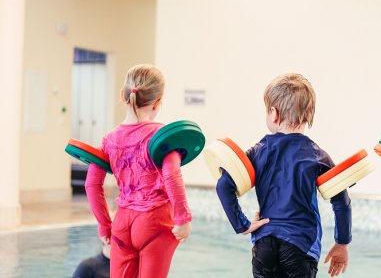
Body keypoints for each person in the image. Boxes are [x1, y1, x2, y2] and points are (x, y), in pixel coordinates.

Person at [216, 73, 352, 278]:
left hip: (264, 244)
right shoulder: (318, 156)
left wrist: (242, 224)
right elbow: (341, 199)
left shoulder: (258, 151)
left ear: (273, 113)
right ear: (309, 114)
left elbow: (223, 185)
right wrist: (342, 242)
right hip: (301, 246)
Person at [85, 64, 191, 277]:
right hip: (155, 221)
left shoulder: (109, 139)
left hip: (122, 223)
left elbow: (92, 184)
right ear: (158, 102)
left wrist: (105, 225)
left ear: (123, 96)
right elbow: (172, 174)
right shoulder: (162, 136)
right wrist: (183, 218)